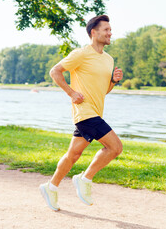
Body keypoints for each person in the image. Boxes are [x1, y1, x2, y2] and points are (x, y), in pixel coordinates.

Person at [39, 15, 123, 211]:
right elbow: (55, 71)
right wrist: (71, 93)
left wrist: (114, 82)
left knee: (74, 154)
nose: (110, 33)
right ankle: (84, 179)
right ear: (93, 32)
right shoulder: (81, 54)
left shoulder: (109, 60)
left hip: (95, 112)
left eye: (111, 30)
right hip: (84, 112)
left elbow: (103, 91)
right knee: (115, 147)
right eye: (106, 30)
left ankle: (50, 186)